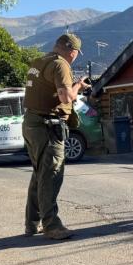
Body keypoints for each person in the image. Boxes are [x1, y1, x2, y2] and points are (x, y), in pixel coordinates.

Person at [23, 33, 90, 240]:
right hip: (47, 126)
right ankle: (52, 225)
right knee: (51, 175)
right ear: (72, 51)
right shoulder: (60, 64)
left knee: (40, 174)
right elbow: (66, 97)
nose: (75, 57)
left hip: (32, 123)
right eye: (76, 53)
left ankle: (32, 223)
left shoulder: (39, 61)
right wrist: (78, 86)